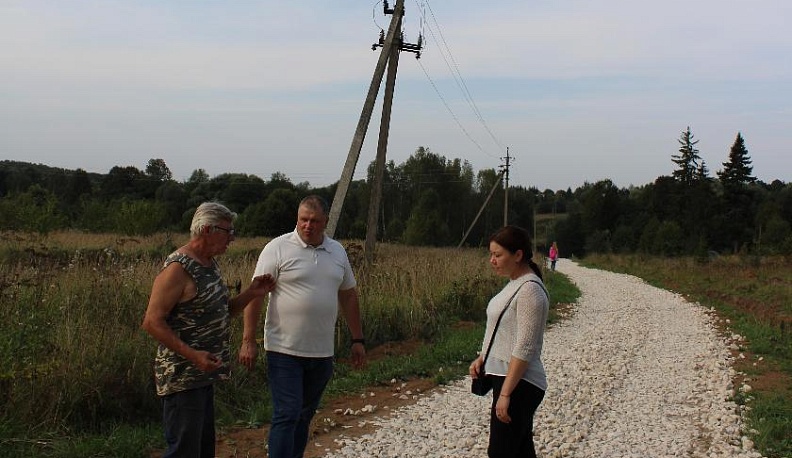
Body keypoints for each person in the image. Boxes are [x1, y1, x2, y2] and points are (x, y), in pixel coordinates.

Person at [141, 202, 275, 458]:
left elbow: (222, 312)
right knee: (184, 451)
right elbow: (151, 322)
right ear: (206, 229)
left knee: (202, 450)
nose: (232, 238)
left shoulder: (209, 264)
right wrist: (193, 355)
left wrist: (251, 293)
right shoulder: (178, 269)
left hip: (203, 377)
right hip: (182, 378)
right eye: (227, 231)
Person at [238, 194, 365, 458]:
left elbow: (348, 295)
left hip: (321, 352)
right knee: (287, 412)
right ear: (297, 219)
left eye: (314, 221)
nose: (308, 226)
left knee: (304, 415)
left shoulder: (337, 251)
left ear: (325, 222)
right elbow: (256, 294)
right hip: (284, 349)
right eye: (303, 220)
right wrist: (248, 340)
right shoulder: (277, 248)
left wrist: (357, 339)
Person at [469, 225, 549, 458]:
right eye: (491, 254)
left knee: (501, 453)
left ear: (518, 255)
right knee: (520, 451)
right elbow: (503, 329)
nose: (492, 260)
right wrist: (484, 356)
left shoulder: (530, 291)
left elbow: (525, 346)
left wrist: (505, 395)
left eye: (498, 255)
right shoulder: (515, 283)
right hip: (508, 380)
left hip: (520, 384)